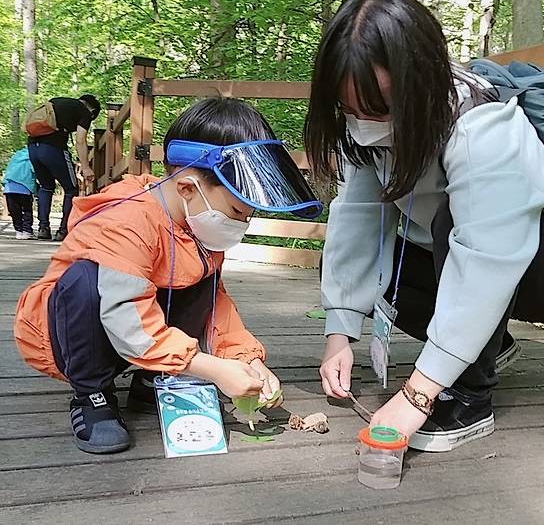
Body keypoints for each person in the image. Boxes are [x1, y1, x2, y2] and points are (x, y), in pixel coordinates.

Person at [304, 0, 544, 452]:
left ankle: (469, 398)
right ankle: (487, 349)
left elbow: (485, 259)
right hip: (466, 253)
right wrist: (339, 335)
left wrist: (417, 394)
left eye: (379, 106)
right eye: (349, 108)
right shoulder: (363, 133)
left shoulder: (481, 124)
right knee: (372, 259)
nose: (363, 122)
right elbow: (358, 222)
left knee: (451, 223)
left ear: (419, 82)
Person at [14, 97, 322, 454]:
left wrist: (245, 358)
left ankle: (154, 378)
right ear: (188, 187)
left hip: (140, 333)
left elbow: (215, 306)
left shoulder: (197, 224)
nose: (242, 223)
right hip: (72, 335)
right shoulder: (126, 221)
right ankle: (92, 395)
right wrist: (212, 369)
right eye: (238, 211)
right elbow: (126, 318)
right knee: (85, 280)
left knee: (199, 277)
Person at [28, 94, 101, 242]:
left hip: (33, 148)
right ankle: (63, 230)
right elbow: (80, 140)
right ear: (92, 110)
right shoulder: (84, 112)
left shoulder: (55, 101)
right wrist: (86, 167)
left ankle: (43, 228)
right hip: (54, 149)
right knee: (71, 188)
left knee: (46, 186)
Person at [2, 147, 37, 239]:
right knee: (27, 210)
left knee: (14, 211)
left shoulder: (15, 157)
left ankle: (18, 230)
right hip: (25, 187)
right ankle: (27, 231)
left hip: (10, 187)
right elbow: (35, 171)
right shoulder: (32, 157)